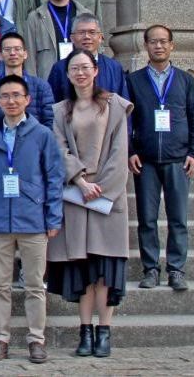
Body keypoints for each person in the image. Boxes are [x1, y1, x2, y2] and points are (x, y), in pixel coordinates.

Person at [49, 51, 133, 359]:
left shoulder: (115, 106)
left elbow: (119, 152)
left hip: (108, 196)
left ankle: (105, 332)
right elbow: (59, 149)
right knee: (82, 270)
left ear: (96, 70)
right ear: (68, 74)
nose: (80, 73)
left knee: (104, 269)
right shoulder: (60, 110)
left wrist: (101, 190)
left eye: (85, 67)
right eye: (74, 68)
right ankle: (85, 331)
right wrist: (80, 181)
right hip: (76, 194)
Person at [0, 75, 65, 364]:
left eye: (17, 95)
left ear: (27, 99)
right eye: (5, 96)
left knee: (35, 286)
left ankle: (36, 339)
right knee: (0, 285)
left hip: (33, 219)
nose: (11, 101)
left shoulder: (42, 134)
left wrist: (53, 216)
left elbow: (54, 177)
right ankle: (0, 339)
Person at [127, 24, 194, 291]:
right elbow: (127, 120)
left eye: (163, 41)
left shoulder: (185, 80)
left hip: (178, 159)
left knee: (178, 218)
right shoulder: (134, 81)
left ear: (172, 45)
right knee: (147, 219)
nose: (158, 46)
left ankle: (176, 269)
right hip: (145, 160)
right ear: (145, 45)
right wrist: (130, 151)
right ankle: (150, 269)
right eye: (153, 41)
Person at [23, 0, 91, 79]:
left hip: (80, 77)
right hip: (48, 79)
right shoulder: (35, 18)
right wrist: (33, 84)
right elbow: (29, 58)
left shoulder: (85, 15)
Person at [47, 14, 129, 102]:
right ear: (72, 38)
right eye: (81, 32)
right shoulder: (60, 68)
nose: (87, 37)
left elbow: (123, 102)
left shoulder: (114, 67)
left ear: (100, 37)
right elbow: (52, 104)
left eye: (92, 32)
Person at [0, 33, 55, 129]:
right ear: (0, 56)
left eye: (17, 49)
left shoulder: (41, 86)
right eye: (7, 49)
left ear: (25, 54)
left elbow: (50, 122)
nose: (12, 53)